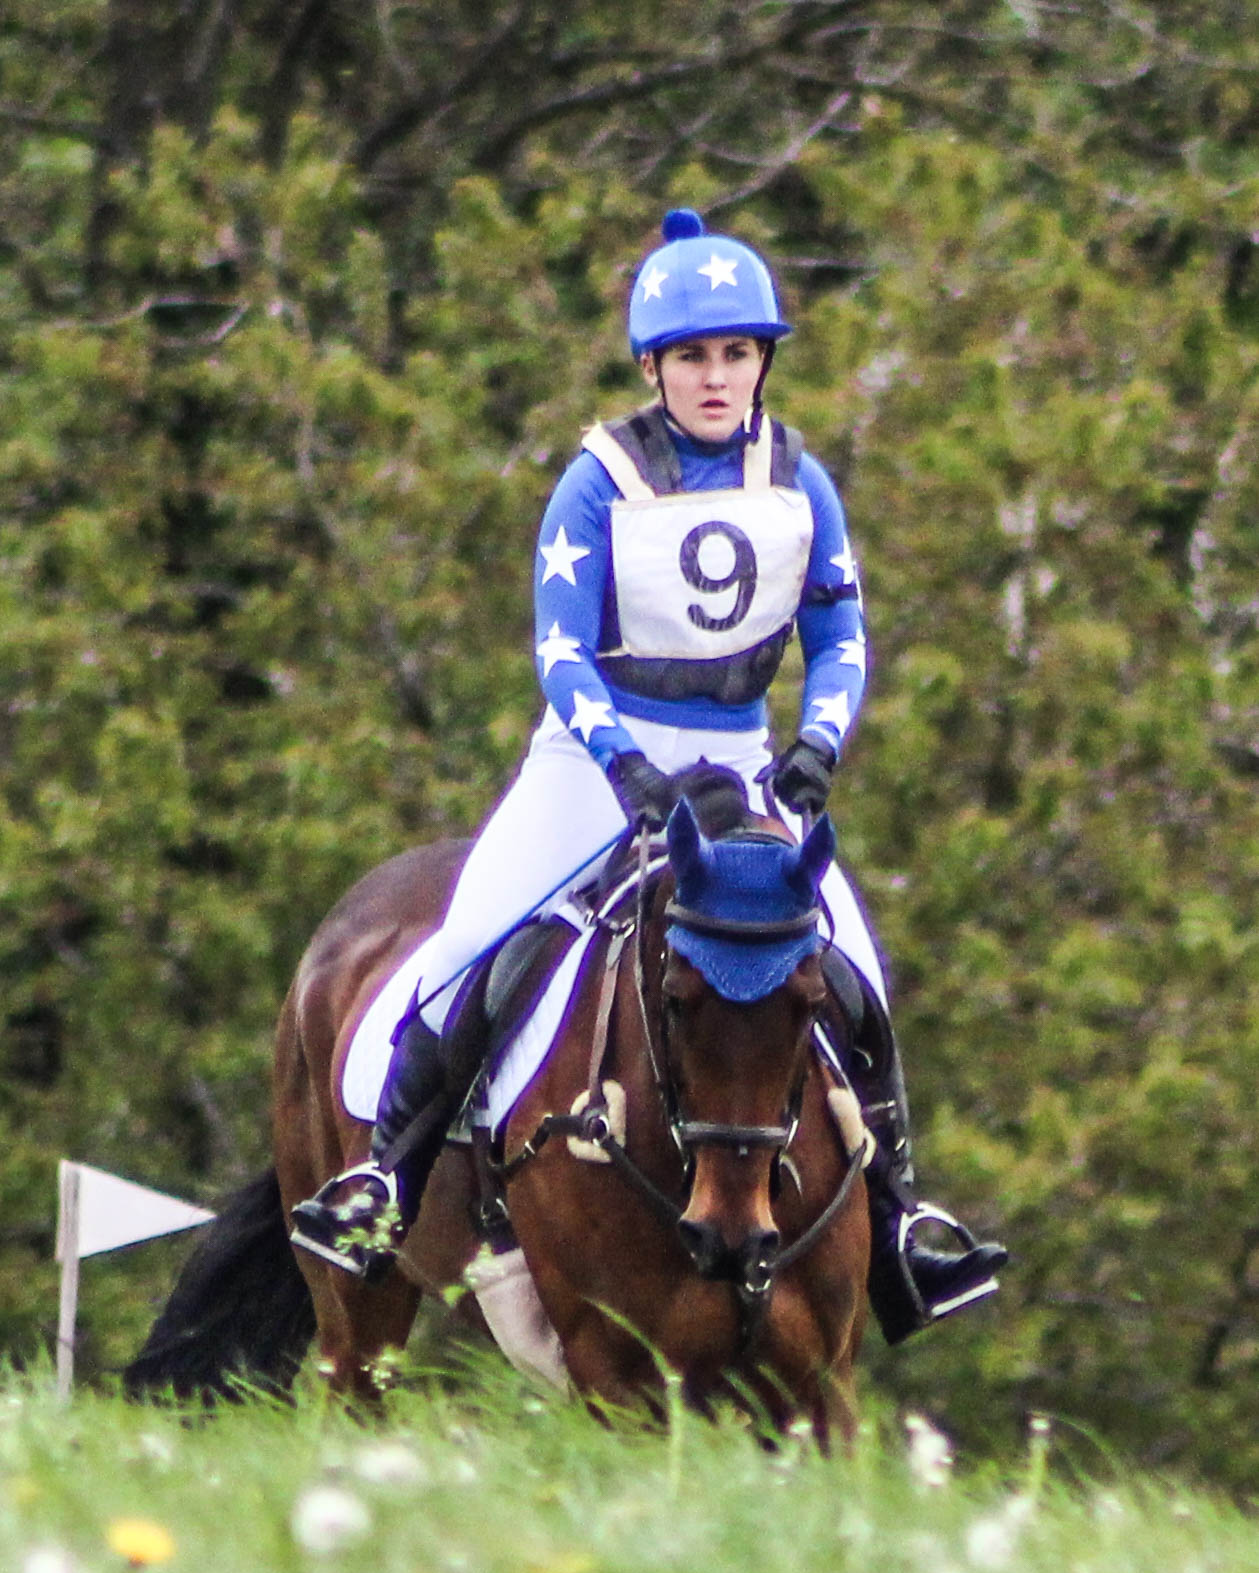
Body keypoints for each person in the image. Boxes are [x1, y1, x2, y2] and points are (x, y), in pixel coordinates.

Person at [291, 208, 1008, 1342]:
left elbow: (840, 636)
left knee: (851, 974)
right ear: (652, 367)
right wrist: (621, 762)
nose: (715, 377)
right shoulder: (598, 481)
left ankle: (903, 1215)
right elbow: (559, 648)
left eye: (735, 353)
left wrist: (817, 746)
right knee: (470, 948)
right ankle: (384, 1179)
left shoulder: (800, 481)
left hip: (740, 760)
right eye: (692, 356)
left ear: (761, 360)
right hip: (593, 760)